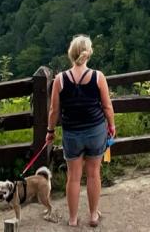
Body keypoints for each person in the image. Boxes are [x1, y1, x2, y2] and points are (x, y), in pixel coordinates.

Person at [47, 34, 116, 228]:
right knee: (94, 173)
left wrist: (50, 131)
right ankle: (93, 215)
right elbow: (107, 107)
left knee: (73, 176)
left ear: (71, 54)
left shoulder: (59, 80)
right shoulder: (98, 77)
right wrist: (111, 126)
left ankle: (72, 218)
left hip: (72, 133)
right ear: (88, 54)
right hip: (95, 130)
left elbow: (54, 111)